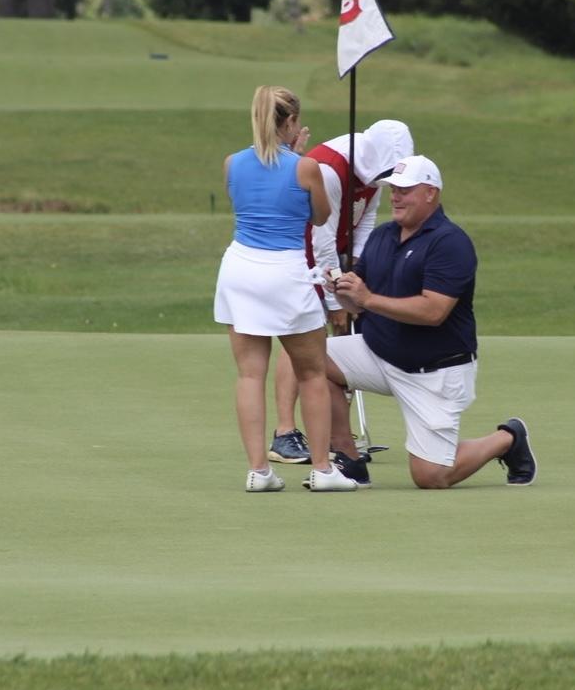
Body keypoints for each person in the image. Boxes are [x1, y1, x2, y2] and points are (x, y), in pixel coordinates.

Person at [316, 154, 538, 489]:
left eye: (405, 190)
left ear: (431, 193)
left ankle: (508, 438)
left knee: (431, 476)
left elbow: (434, 311)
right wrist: (342, 290)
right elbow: (358, 303)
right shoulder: (382, 236)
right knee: (310, 356)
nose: (395, 197)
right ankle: (349, 460)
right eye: (393, 189)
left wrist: (367, 299)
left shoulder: (450, 242)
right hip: (379, 353)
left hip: (435, 371)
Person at [213, 85, 358, 492]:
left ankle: (259, 472)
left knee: (249, 375)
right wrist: (298, 156)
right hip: (285, 272)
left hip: (240, 269)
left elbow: (249, 200)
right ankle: (323, 470)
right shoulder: (306, 167)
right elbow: (321, 215)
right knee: (312, 373)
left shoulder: (232, 163)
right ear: (291, 122)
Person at [268, 120, 414, 465]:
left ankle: (338, 438)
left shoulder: (376, 173)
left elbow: (365, 220)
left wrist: (357, 270)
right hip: (301, 256)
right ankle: (284, 434)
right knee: (303, 336)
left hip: (334, 257)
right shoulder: (330, 170)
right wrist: (336, 301)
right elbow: (321, 239)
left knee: (337, 348)